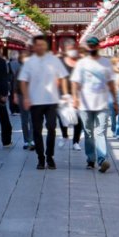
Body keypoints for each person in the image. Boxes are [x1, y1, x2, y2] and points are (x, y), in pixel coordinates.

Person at [18, 35, 69, 170]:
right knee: (37, 130)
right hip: (35, 102)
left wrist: (65, 94)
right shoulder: (30, 62)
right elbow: (23, 81)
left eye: (43, 44)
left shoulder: (54, 60)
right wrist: (26, 97)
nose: (40, 47)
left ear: (46, 46)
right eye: (38, 45)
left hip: (52, 100)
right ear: (34, 47)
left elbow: (63, 77)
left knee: (51, 127)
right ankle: (40, 158)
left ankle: (50, 156)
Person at [72, 39, 117, 173]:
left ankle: (102, 160)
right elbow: (75, 82)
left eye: (93, 45)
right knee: (89, 133)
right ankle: (91, 159)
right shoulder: (81, 63)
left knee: (101, 133)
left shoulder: (106, 63)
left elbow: (111, 83)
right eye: (90, 46)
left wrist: (115, 101)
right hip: (85, 104)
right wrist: (75, 98)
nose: (91, 48)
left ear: (98, 46)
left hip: (102, 103)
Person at [58, 42, 84, 148]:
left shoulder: (81, 61)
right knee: (63, 116)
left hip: (78, 93)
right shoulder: (60, 62)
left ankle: (75, 142)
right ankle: (64, 135)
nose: (72, 50)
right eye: (69, 48)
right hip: (62, 93)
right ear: (65, 50)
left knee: (78, 118)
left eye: (73, 48)